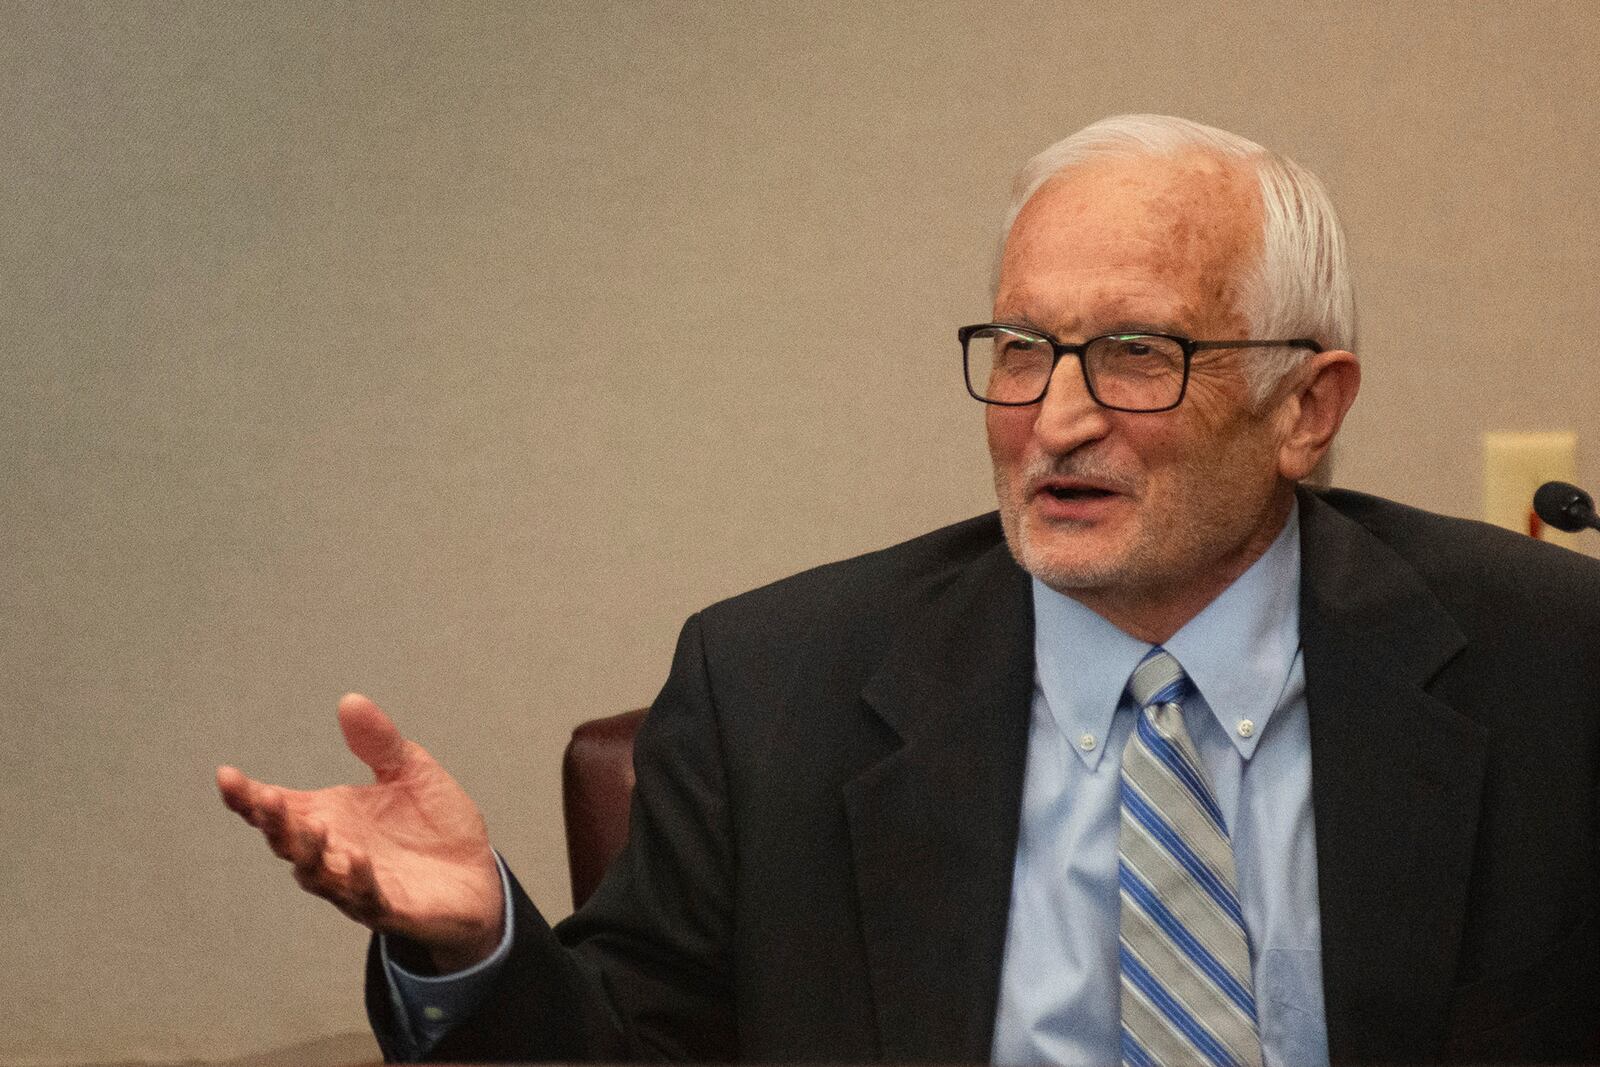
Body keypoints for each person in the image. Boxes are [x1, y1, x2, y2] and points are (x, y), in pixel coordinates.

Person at [218, 115, 1600, 1066]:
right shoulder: (773, 689)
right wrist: (480, 946)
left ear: (1306, 407)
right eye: (1018, 348)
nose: (1053, 418)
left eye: (1132, 352)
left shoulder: (1552, 665)